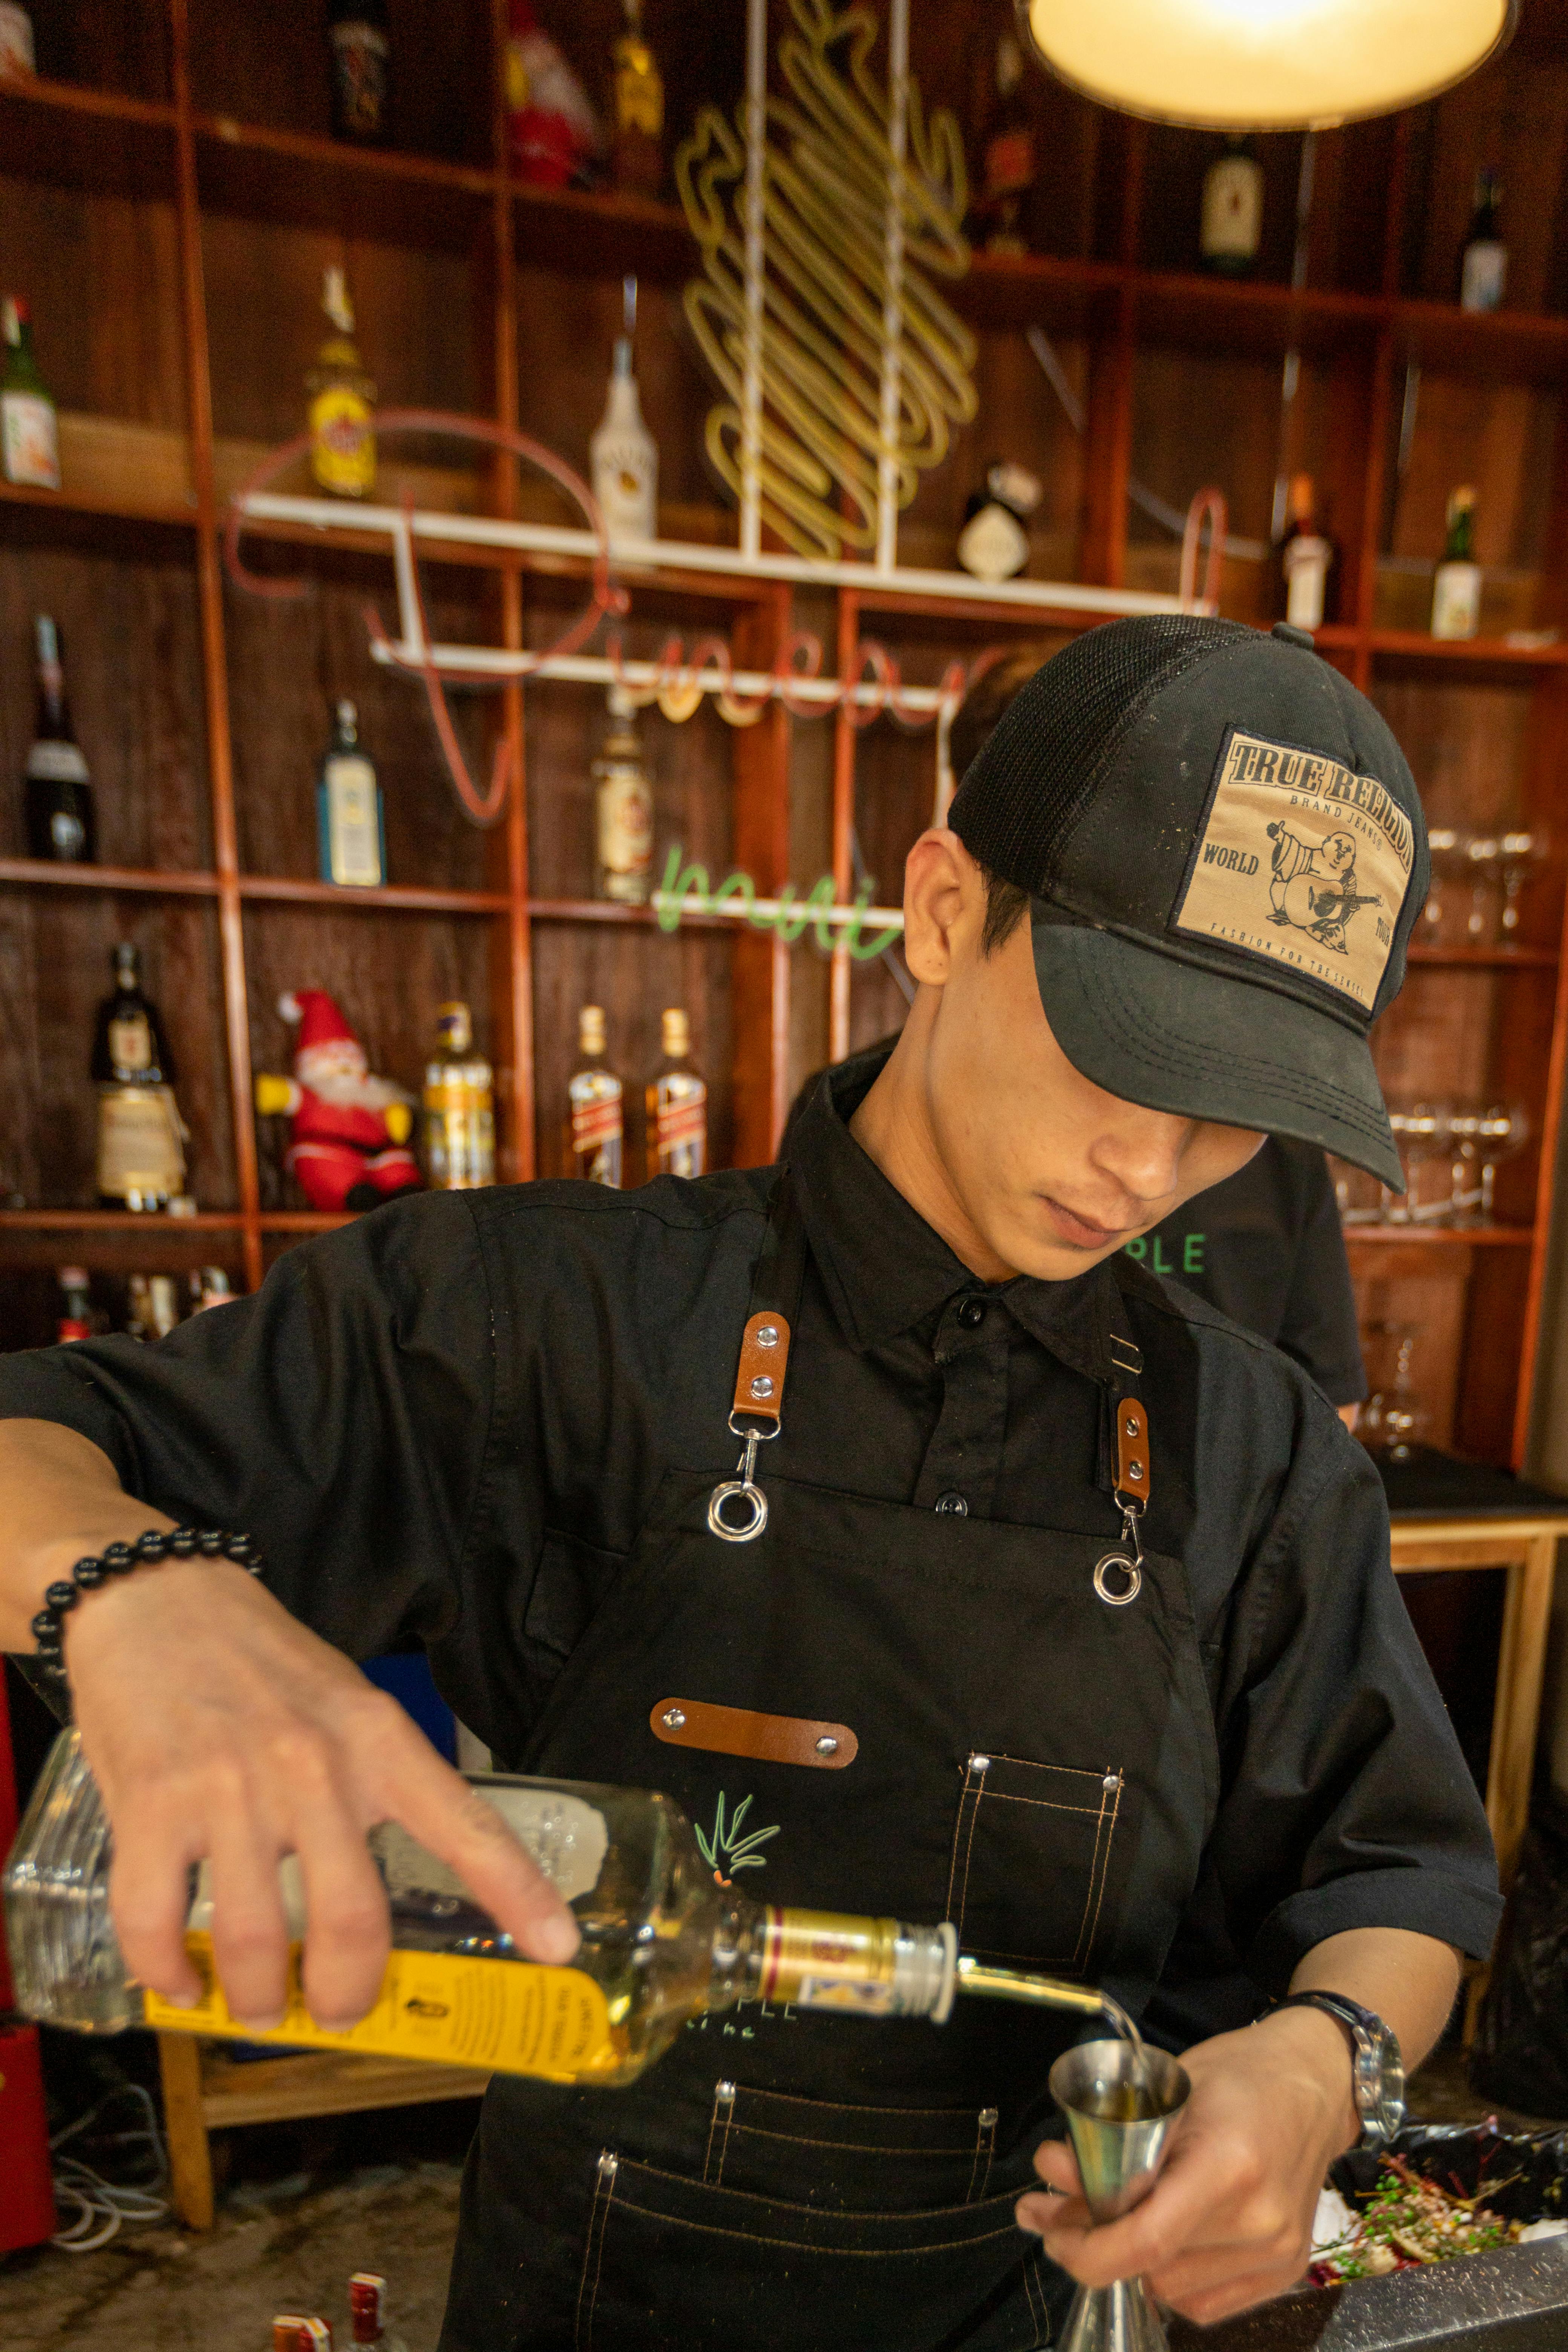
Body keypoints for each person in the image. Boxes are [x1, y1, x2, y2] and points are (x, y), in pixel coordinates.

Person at [0, 616, 1497, 2352]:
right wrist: (137, 1593)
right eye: (1119, 1053)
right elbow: (37, 1435)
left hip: (1033, 2308)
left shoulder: (1254, 1448)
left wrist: (1327, 2066)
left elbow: (1396, 1880)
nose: (1150, 1169)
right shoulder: (547, 1314)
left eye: (1232, 1113)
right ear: (942, 909)